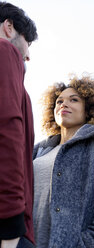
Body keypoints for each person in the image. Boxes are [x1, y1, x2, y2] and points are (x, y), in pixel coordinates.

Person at [33, 74, 94, 248]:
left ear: (89, 108)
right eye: (59, 101)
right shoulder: (38, 150)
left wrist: (84, 245)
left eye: (74, 100)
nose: (64, 104)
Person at [0, 2, 38, 248]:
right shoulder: (5, 50)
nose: (28, 54)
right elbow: (7, 130)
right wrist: (12, 230)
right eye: (28, 42)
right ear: (9, 27)